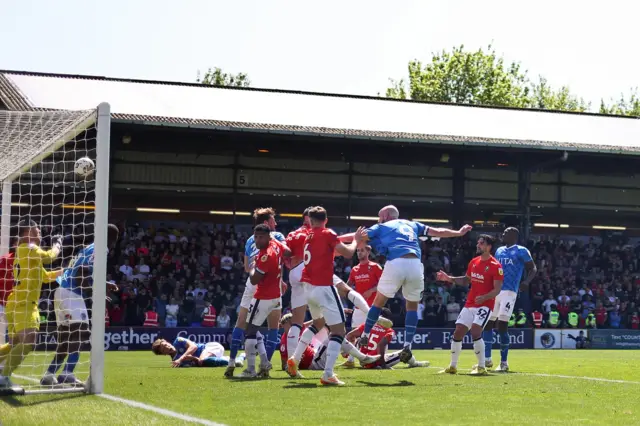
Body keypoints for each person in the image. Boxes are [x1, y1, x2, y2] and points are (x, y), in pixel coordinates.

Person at [358, 205, 472, 364]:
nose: (378, 219)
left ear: (386, 216)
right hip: (415, 264)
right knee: (412, 307)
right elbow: (438, 232)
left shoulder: (382, 226)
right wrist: (458, 233)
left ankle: (365, 335)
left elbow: (358, 236)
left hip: (396, 262)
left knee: (378, 302)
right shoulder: (413, 224)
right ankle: (407, 346)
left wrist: (338, 240)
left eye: (380, 216)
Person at [286, 206, 365, 386]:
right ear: (326, 220)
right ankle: (328, 374)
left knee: (318, 323)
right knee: (338, 331)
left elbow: (325, 253)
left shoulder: (307, 237)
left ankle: (294, 358)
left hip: (309, 288)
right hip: (323, 287)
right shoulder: (327, 233)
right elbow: (348, 253)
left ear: (310, 220)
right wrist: (356, 240)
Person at [41, 224, 120, 386]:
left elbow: (80, 269)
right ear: (114, 239)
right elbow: (82, 272)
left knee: (66, 339)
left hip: (61, 291)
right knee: (82, 333)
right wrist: (97, 296)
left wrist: (104, 283)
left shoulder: (89, 247)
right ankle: (67, 373)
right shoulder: (101, 249)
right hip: (72, 293)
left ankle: (49, 374)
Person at [0, 219, 63, 390]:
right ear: (25, 234)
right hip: (24, 303)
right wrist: (57, 245)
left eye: (40, 232)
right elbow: (49, 257)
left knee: (15, 343)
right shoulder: (29, 248)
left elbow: (45, 276)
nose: (39, 234)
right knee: (29, 340)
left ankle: (2, 375)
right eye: (36, 232)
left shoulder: (27, 254)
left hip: (17, 302)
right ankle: (3, 377)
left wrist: (64, 271)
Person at [225, 224, 290, 379]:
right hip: (276, 296)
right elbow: (288, 252)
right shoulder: (276, 244)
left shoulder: (265, 255)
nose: (257, 240)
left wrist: (254, 266)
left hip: (263, 297)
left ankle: (251, 369)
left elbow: (254, 280)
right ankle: (265, 363)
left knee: (249, 330)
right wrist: (276, 242)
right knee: (263, 329)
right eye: (256, 237)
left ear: (268, 236)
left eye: (261, 237)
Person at [437, 235, 503, 376]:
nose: (478, 245)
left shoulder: (496, 266)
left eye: (481, 243)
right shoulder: (473, 262)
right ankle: (452, 366)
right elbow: (466, 280)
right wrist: (449, 278)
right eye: (478, 242)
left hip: (485, 305)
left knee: (475, 330)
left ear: (489, 246)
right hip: (470, 303)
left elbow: (497, 290)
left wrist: (484, 297)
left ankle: (481, 367)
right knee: (458, 331)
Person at [483, 227, 536, 372]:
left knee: (502, 325)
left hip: (509, 291)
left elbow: (533, 268)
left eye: (505, 233)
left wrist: (526, 282)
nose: (503, 234)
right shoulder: (499, 250)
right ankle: (487, 359)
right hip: (495, 290)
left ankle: (504, 362)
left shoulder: (522, 250)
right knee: (488, 323)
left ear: (514, 235)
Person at [279, 314, 379, 372]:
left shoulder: (297, 329)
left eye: (294, 323)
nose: (293, 326)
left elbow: (313, 322)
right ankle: (361, 357)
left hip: (316, 357)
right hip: (313, 363)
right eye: (290, 323)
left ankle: (357, 356)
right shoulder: (284, 342)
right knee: (335, 336)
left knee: (336, 336)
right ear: (283, 325)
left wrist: (328, 314)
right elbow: (284, 366)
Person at [346, 308, 427, 369]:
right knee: (405, 352)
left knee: (359, 340)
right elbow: (381, 345)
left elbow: (349, 335)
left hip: (363, 360)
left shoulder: (366, 325)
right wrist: (383, 364)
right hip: (375, 362)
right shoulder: (389, 330)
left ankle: (353, 359)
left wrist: (347, 352)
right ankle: (415, 364)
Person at [342, 245, 382, 368]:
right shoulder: (354, 269)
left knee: (369, 334)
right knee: (354, 334)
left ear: (368, 252)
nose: (359, 253)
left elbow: (384, 284)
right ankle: (351, 360)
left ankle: (374, 358)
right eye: (358, 251)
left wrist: (371, 290)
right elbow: (348, 285)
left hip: (372, 307)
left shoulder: (375, 267)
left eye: (362, 251)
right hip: (358, 308)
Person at [151, 337, 244, 368]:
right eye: (164, 349)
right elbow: (197, 362)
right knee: (203, 362)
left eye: (166, 344)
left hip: (210, 347)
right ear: (163, 354)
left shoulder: (178, 340)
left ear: (167, 342)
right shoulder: (176, 362)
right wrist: (192, 358)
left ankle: (234, 362)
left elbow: (193, 346)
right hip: (210, 356)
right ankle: (240, 357)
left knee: (203, 359)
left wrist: (182, 358)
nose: (167, 347)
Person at [0, 249, 15, 370]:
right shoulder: (5, 259)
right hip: (1, 302)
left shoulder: (29, 259)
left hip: (14, 305)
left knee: (15, 341)